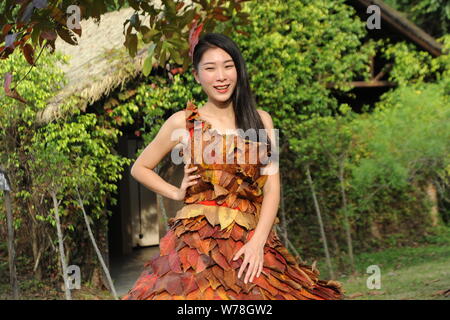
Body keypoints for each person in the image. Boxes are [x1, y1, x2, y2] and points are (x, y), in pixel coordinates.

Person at [121, 33, 344, 300]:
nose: (221, 76)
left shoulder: (261, 121)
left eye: (228, 66)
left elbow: (272, 188)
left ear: (238, 69)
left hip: (251, 240)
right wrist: (176, 193)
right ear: (196, 76)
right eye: (210, 68)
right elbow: (140, 167)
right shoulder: (183, 122)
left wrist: (257, 243)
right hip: (196, 247)